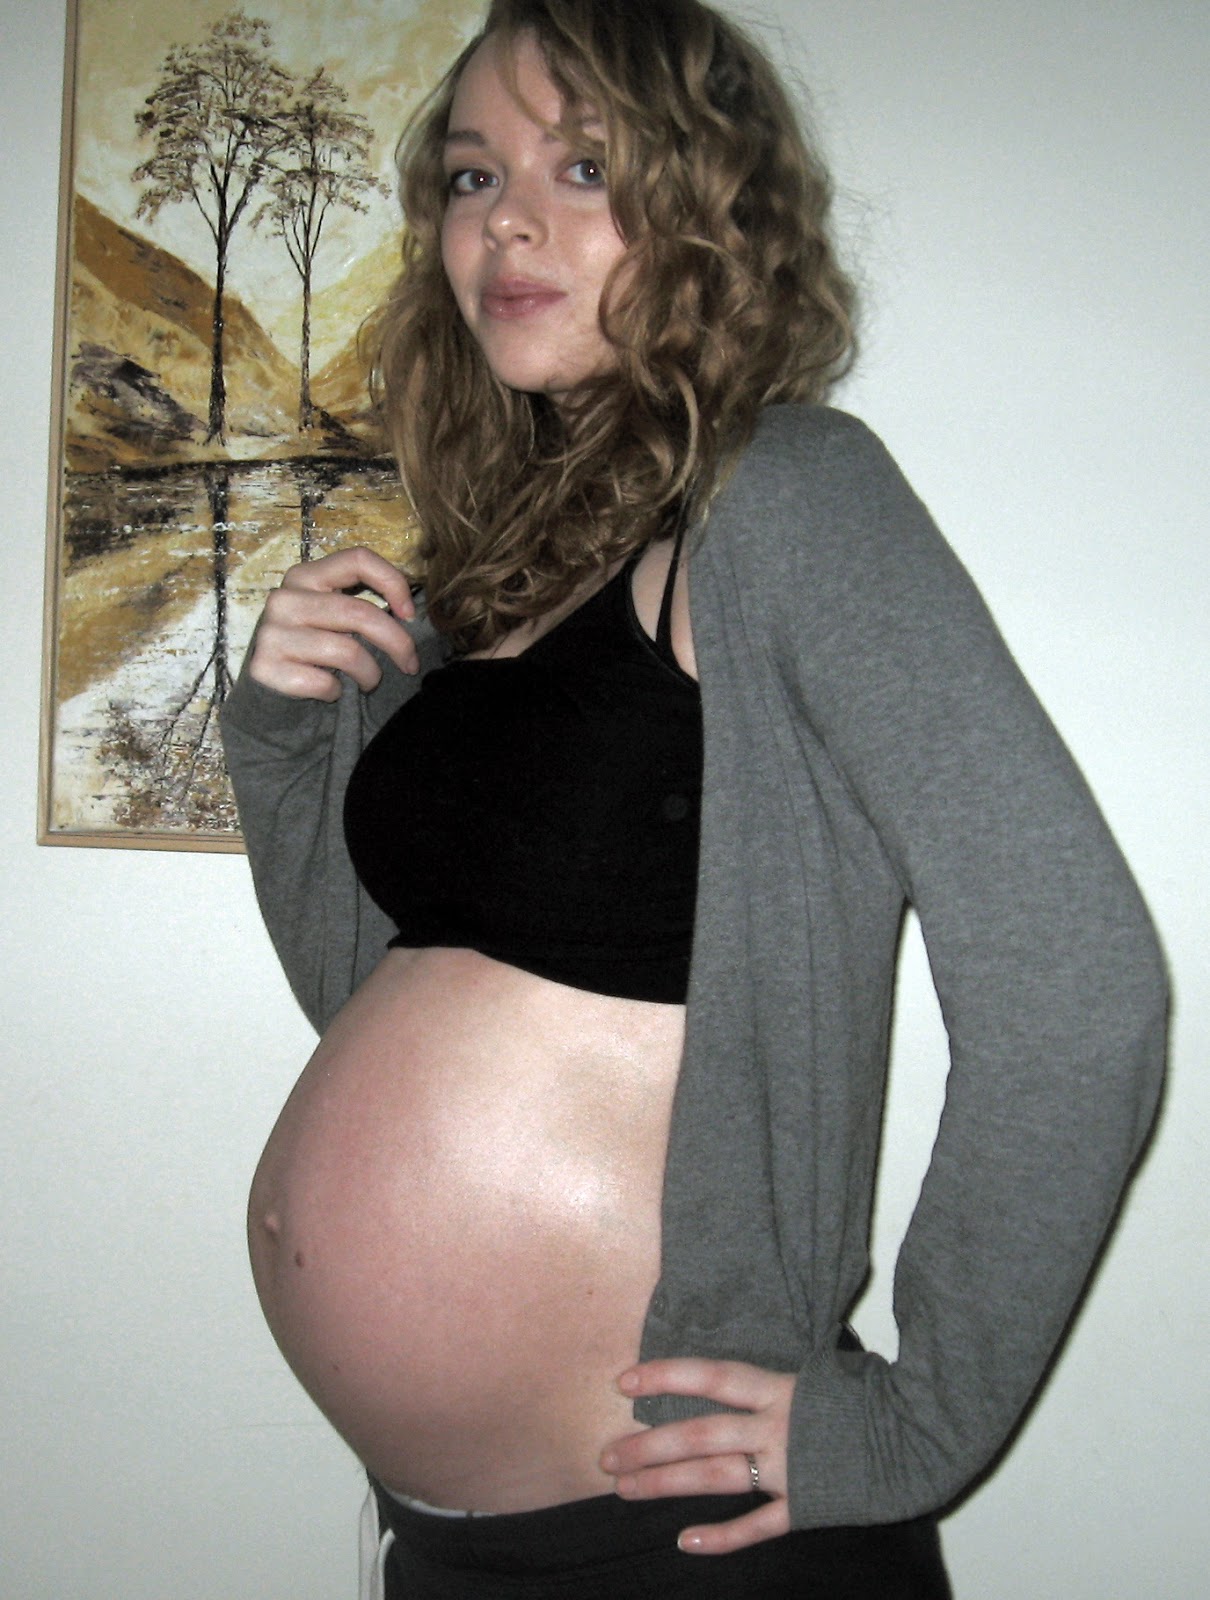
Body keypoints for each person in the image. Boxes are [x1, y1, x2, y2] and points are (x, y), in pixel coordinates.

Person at [220, 1, 1168, 1594]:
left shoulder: (785, 496)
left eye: (584, 165)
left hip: (686, 1541)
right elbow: (365, 1001)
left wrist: (912, 1426)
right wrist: (284, 744)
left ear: (713, 214)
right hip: (451, 1546)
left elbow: (1076, 988)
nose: (504, 220)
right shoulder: (497, 594)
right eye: (470, 176)